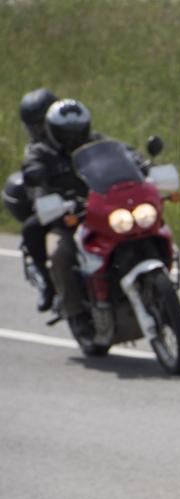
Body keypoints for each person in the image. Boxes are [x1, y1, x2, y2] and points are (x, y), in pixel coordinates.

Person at [21, 99, 95, 329]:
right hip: (66, 218)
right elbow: (34, 181)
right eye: (66, 134)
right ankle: (76, 313)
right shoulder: (41, 153)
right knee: (60, 253)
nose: (73, 139)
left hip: (100, 210)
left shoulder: (96, 143)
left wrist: (140, 163)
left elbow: (123, 155)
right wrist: (46, 197)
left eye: (78, 132)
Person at [12, 88, 59, 311]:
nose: (40, 129)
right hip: (61, 208)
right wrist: (43, 199)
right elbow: (34, 180)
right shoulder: (35, 152)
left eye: (42, 122)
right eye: (34, 125)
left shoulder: (76, 133)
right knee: (31, 229)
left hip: (92, 200)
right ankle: (48, 284)